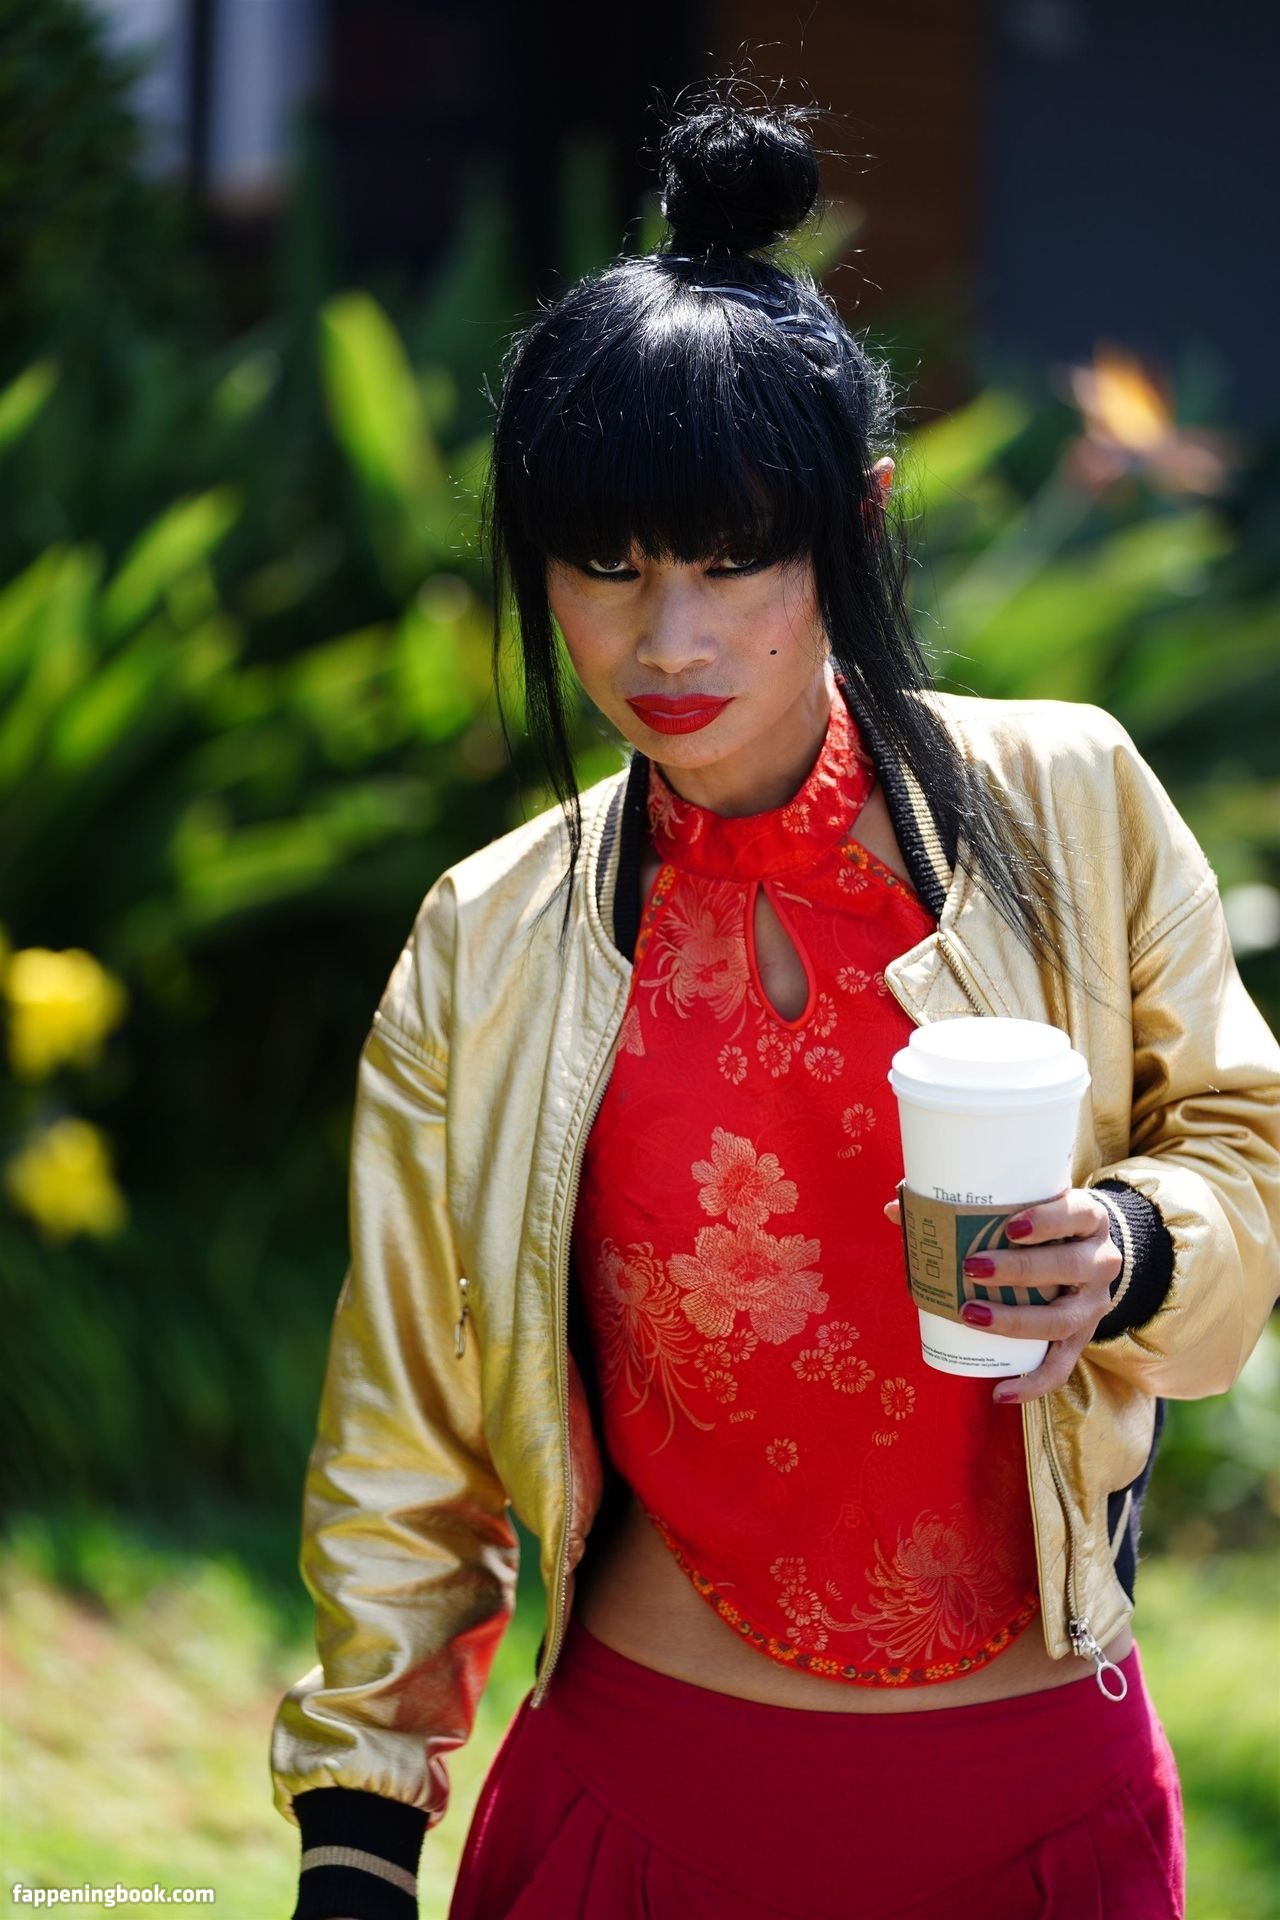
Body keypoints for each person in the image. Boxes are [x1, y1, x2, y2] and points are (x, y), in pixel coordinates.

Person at [269, 83, 1280, 1920]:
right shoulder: (487, 939)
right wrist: (358, 1836)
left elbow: (1247, 1143)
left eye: (735, 556)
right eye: (605, 564)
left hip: (1042, 1822)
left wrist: (1136, 1245)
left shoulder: (1070, 802)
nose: (669, 639)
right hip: (636, 1814)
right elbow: (407, 1424)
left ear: (857, 520)